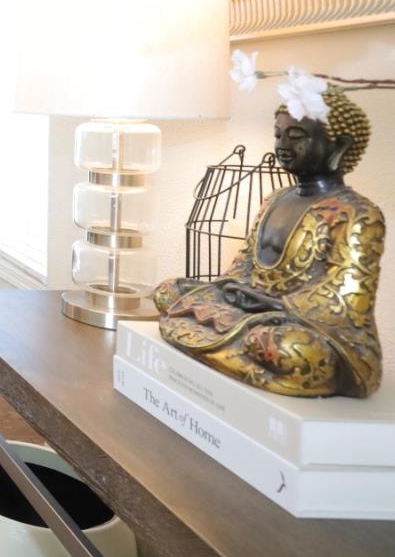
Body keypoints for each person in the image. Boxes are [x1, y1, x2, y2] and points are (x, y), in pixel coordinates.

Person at [153, 89, 383, 398]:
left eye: (296, 136)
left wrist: (277, 305)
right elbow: (247, 260)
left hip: (306, 325)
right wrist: (235, 287)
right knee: (169, 292)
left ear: (338, 146)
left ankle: (243, 350)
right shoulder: (276, 198)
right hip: (251, 308)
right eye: (279, 135)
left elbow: (348, 299)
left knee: (286, 349)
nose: (283, 146)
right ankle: (236, 347)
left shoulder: (358, 213)